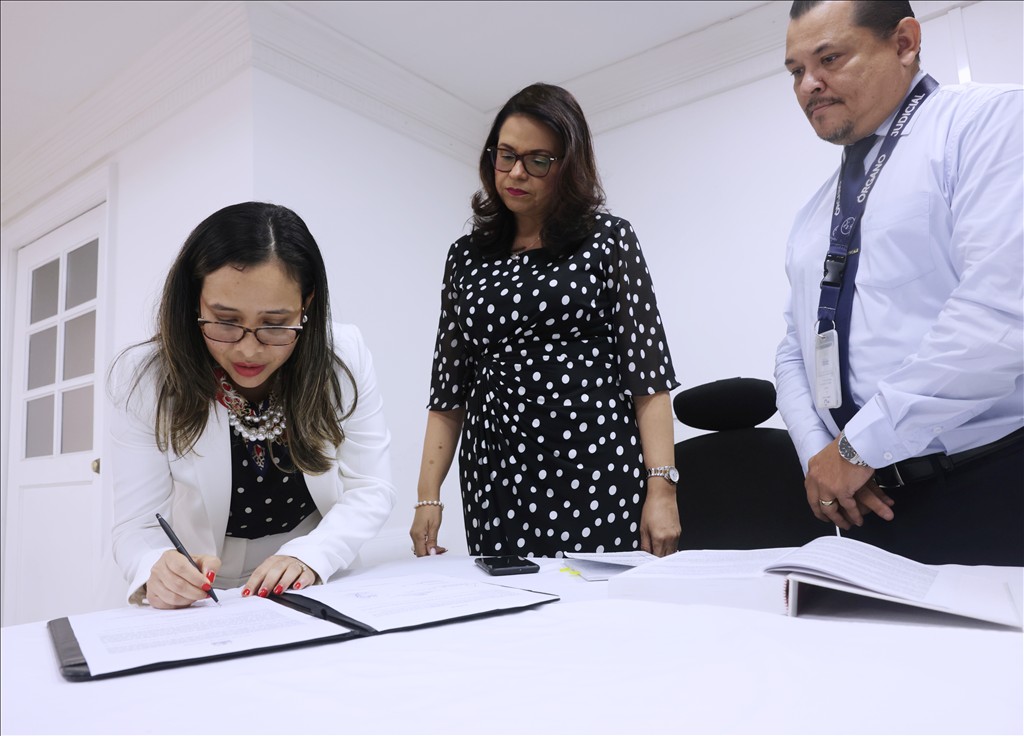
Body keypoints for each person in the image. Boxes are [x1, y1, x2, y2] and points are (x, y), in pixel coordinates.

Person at [776, 0, 1023, 565]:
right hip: (868, 501)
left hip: (992, 482)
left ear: (905, 43)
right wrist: (820, 455)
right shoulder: (815, 214)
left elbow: (1000, 315)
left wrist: (858, 446)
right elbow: (793, 350)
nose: (808, 85)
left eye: (829, 59)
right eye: (795, 71)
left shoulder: (987, 123)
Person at [410, 83, 681, 559]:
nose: (516, 172)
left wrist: (662, 488)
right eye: (506, 155)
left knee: (596, 600)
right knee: (509, 601)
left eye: (538, 160)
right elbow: (449, 389)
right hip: (494, 471)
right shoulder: (465, 257)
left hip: (594, 464)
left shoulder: (608, 239)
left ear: (568, 167)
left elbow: (648, 376)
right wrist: (427, 496)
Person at [109, 202, 396, 608]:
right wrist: (156, 565)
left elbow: (371, 486)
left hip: (314, 569)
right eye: (225, 321)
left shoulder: (343, 355)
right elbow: (137, 526)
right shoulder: (147, 377)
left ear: (307, 304)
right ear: (194, 302)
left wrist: (313, 555)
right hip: (207, 586)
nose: (248, 350)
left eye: (275, 324)